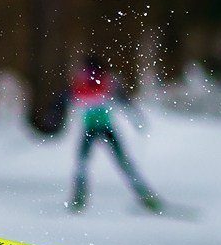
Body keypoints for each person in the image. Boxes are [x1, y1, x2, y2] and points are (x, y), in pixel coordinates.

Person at [67, 59, 164, 213]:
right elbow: (125, 101)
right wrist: (137, 119)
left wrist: (53, 119)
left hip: (93, 127)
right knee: (121, 162)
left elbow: (63, 100)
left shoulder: (83, 82)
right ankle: (144, 195)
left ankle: (78, 197)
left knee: (83, 163)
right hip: (103, 127)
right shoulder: (105, 81)